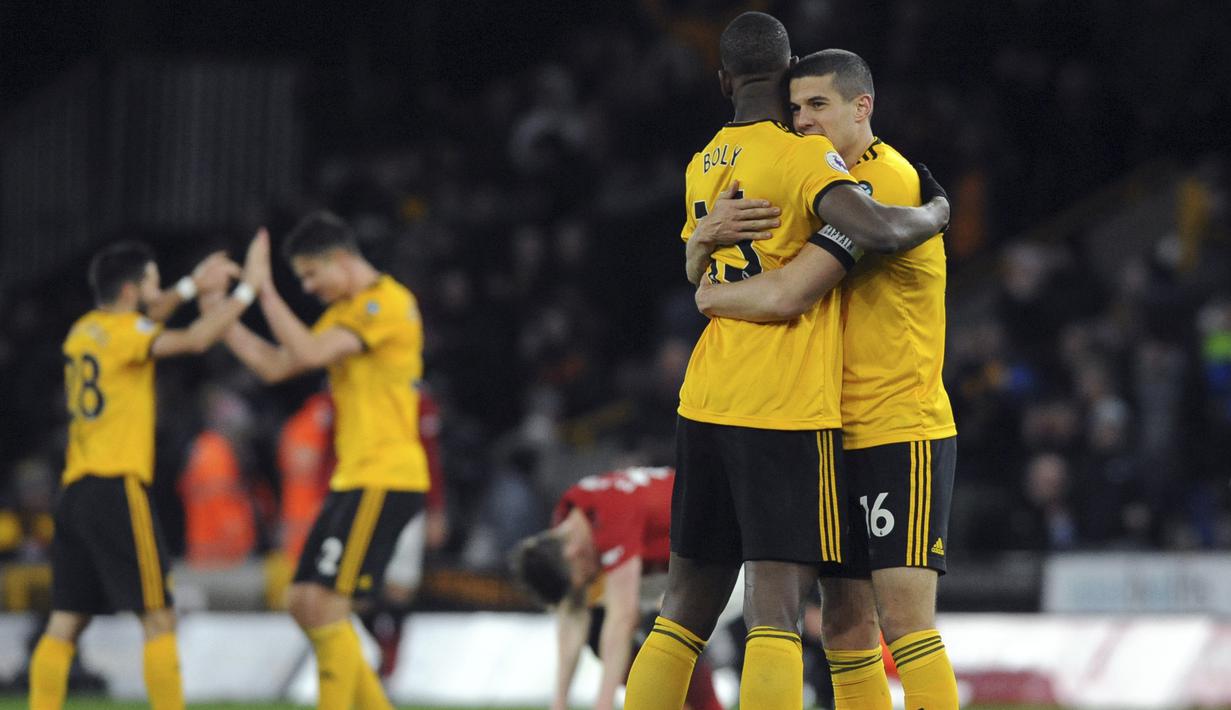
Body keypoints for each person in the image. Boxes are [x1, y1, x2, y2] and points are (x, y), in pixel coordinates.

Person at [623, 13, 949, 710]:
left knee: (702, 607)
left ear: (722, 82)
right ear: (784, 77)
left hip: (858, 418)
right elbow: (836, 261)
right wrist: (938, 212)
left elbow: (720, 267)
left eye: (818, 106)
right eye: (798, 105)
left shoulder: (706, 162)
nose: (804, 119)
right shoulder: (806, 163)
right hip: (786, 410)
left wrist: (705, 280)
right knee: (783, 610)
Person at [29, 239, 264, 710]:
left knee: (66, 622)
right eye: (154, 283)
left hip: (75, 494)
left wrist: (189, 284)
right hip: (117, 487)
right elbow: (197, 338)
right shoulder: (127, 335)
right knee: (160, 618)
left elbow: (147, 315)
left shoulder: (82, 331)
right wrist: (247, 294)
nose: (160, 293)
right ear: (134, 290)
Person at [216, 212, 429, 710]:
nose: (309, 288)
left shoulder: (385, 303)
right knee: (301, 602)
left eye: (311, 274)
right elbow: (276, 363)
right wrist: (221, 312)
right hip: (356, 477)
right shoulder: (344, 314)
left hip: (387, 475)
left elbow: (308, 353)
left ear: (339, 259)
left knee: (325, 604)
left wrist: (263, 290)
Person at [510, 467, 721, 710]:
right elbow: (572, 613)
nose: (589, 581)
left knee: (666, 623)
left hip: (723, 557)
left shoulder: (612, 518)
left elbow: (622, 618)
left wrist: (604, 703)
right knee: (600, 626)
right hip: (676, 565)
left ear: (573, 553)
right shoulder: (570, 517)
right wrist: (558, 704)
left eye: (581, 579)